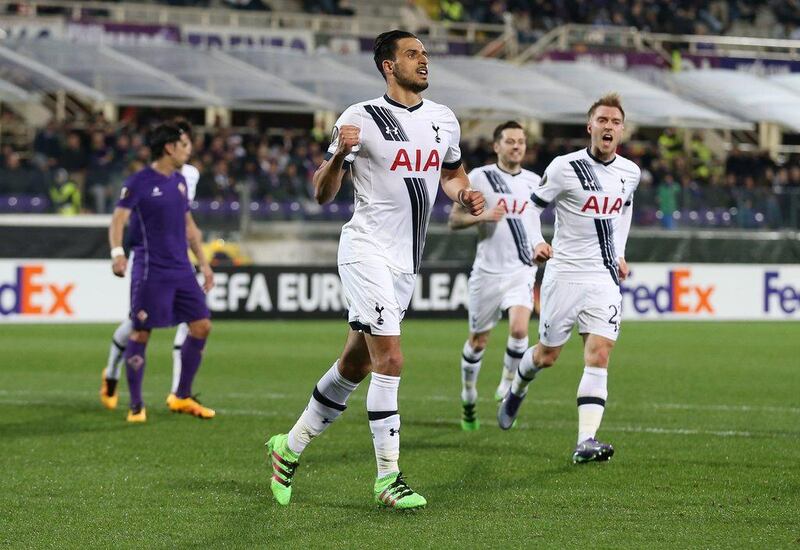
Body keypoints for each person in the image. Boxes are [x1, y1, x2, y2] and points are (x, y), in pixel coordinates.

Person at [265, 29, 485, 510]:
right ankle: (388, 478)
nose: (423, 61)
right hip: (365, 249)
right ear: (388, 65)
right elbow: (322, 193)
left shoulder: (443, 120)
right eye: (412, 54)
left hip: (406, 261)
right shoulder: (359, 118)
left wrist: (465, 194)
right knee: (391, 359)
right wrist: (340, 155)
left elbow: (451, 174)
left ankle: (289, 447)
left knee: (355, 364)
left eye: (425, 53)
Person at [497, 93, 641, 464]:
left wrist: (620, 252)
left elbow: (624, 209)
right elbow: (531, 205)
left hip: (603, 277)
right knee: (547, 356)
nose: (608, 127)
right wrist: (537, 241)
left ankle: (585, 440)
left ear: (622, 130)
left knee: (600, 353)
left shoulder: (630, 173)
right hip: (564, 275)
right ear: (590, 127)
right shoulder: (565, 167)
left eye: (615, 122)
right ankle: (517, 386)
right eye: (602, 121)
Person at [107, 122, 215, 423]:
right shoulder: (139, 182)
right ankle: (136, 405)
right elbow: (118, 220)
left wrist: (204, 264)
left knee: (202, 325)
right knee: (141, 330)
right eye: (183, 144)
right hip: (150, 269)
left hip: (180, 268)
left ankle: (181, 395)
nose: (188, 150)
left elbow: (188, 225)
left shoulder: (180, 182)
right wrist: (118, 254)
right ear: (169, 147)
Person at [448, 121, 541, 431]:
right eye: (510, 141)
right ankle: (468, 395)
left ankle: (508, 384)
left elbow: (536, 224)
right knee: (478, 341)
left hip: (521, 269)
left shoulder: (535, 183)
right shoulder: (480, 178)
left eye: (521, 142)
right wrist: (484, 216)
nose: (517, 146)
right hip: (487, 273)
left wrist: (541, 245)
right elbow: (454, 220)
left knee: (519, 329)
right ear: (496, 146)